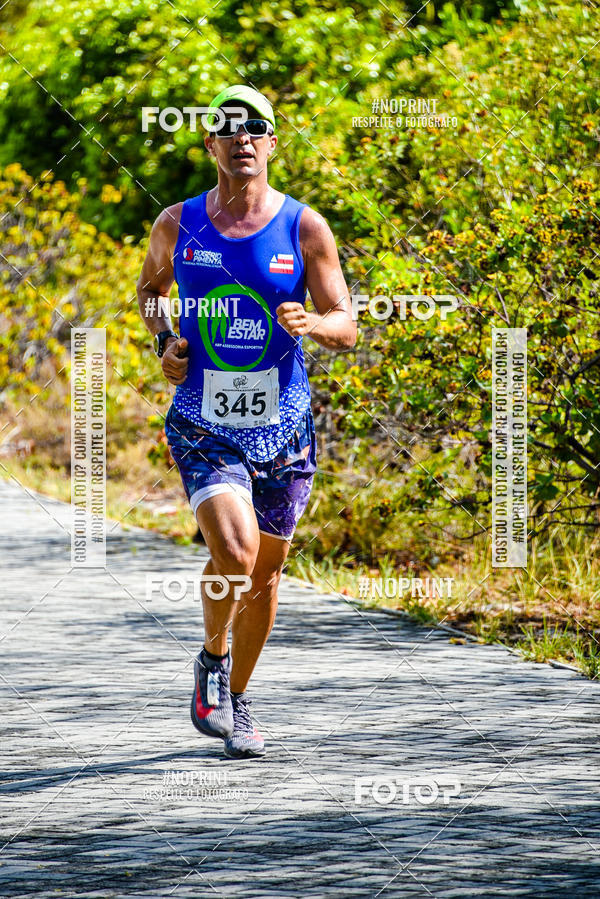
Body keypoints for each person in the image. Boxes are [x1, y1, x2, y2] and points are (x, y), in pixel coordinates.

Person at [137, 84, 356, 758]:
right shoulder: (178, 223)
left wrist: (316, 323)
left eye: (254, 128)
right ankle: (211, 656)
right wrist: (165, 344)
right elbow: (149, 293)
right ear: (210, 145)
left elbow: (346, 322)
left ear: (271, 143)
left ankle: (236, 697)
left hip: (285, 426)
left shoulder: (304, 227)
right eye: (227, 130)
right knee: (233, 555)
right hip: (204, 420)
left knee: (263, 576)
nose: (242, 139)